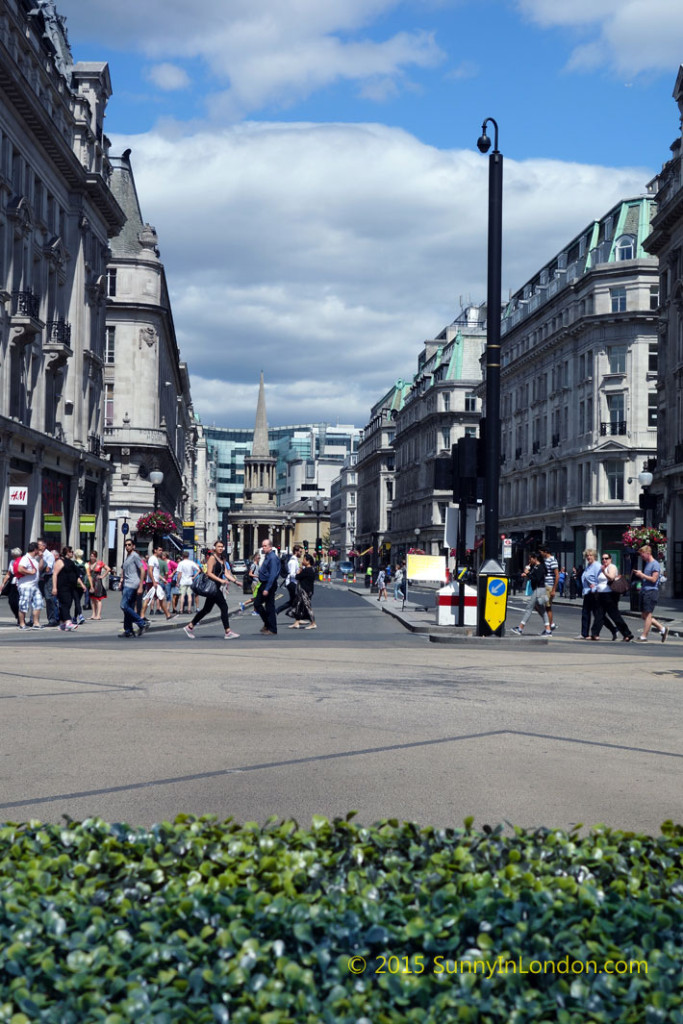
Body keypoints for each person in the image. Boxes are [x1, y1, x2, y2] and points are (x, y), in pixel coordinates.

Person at [183, 540, 239, 639]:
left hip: (215, 588)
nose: (221, 548)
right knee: (224, 607)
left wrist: (235, 581)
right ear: (214, 548)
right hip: (213, 587)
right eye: (218, 546)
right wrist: (220, 580)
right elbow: (209, 573)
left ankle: (190, 626)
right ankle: (228, 631)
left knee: (206, 609)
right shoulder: (212, 558)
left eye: (222, 546)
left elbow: (226, 573)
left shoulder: (223, 558)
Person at [589, 553, 633, 642]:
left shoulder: (612, 567)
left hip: (610, 595)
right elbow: (600, 581)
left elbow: (611, 578)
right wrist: (595, 586)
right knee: (599, 615)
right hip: (601, 594)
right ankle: (595, 634)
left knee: (614, 615)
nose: (604, 560)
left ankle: (627, 634)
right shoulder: (601, 568)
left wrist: (604, 571)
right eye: (603, 558)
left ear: (610, 559)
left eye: (606, 558)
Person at [633, 545, 668, 642]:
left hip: (651, 591)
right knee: (644, 615)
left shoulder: (655, 564)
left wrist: (642, 575)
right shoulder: (647, 564)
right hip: (645, 590)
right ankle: (662, 629)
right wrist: (641, 575)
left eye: (642, 555)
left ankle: (644, 636)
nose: (642, 557)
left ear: (648, 553)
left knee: (648, 615)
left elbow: (654, 579)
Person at [511, 553, 551, 636]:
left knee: (529, 608)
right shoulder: (535, 567)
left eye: (530, 559)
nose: (529, 561)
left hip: (539, 590)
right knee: (542, 610)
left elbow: (536, 579)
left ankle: (520, 628)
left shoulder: (540, 567)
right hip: (537, 590)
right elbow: (533, 576)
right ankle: (548, 630)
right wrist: (527, 573)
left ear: (535, 558)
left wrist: (528, 574)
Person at [119, 539, 150, 637]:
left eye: (129, 545)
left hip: (131, 584)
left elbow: (143, 570)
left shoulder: (135, 556)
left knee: (123, 606)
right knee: (129, 607)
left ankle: (141, 623)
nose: (127, 546)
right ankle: (128, 630)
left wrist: (141, 586)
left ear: (133, 546)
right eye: (126, 545)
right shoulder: (128, 556)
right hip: (126, 583)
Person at [52, 546, 84, 631]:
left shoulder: (71, 562)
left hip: (71, 586)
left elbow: (76, 575)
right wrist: (54, 587)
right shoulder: (60, 561)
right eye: (71, 552)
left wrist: (82, 584)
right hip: (62, 586)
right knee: (65, 603)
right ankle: (68, 622)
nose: (72, 553)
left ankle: (62, 623)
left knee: (68, 603)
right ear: (67, 552)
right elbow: (54, 574)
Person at [254, 538, 280, 635]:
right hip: (264, 583)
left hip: (268, 584)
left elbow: (273, 574)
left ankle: (272, 628)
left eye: (265, 546)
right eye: (263, 546)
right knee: (257, 604)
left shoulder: (272, 558)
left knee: (269, 607)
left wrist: (267, 588)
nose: (263, 548)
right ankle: (267, 623)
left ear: (270, 547)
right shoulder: (268, 556)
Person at [141, 546, 175, 622]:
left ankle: (168, 615)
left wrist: (163, 579)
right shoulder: (152, 559)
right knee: (149, 598)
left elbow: (156, 572)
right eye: (159, 550)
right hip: (152, 582)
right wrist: (153, 581)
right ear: (155, 550)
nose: (161, 551)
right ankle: (142, 616)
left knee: (161, 598)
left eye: (161, 550)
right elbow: (150, 570)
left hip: (155, 581)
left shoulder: (156, 559)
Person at [16, 542, 43, 630]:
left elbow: (40, 568)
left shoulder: (34, 559)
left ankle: (36, 623)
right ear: (35, 550)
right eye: (38, 549)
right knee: (24, 604)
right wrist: (30, 572)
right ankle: (22, 624)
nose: (39, 551)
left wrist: (41, 558)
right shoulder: (26, 558)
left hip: (35, 585)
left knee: (38, 603)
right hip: (25, 585)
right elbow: (20, 568)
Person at [287, 553, 317, 629]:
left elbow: (297, 577)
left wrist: (299, 571)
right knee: (299, 606)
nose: (302, 561)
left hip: (305, 591)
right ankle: (296, 623)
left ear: (308, 561)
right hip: (307, 590)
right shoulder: (312, 569)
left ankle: (313, 623)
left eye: (304, 559)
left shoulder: (307, 570)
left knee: (307, 606)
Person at [37, 537, 59, 627]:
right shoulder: (36, 554)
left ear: (44, 546)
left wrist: (40, 567)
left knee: (49, 599)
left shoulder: (49, 555)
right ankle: (33, 620)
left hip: (48, 578)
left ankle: (53, 619)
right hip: (39, 578)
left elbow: (48, 569)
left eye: (39, 545)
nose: (38, 546)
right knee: (36, 599)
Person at [579, 549, 600, 639]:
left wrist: (594, 588)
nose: (588, 557)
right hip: (588, 592)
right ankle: (584, 633)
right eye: (587, 555)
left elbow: (599, 579)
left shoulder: (597, 566)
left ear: (594, 556)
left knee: (597, 614)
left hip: (594, 593)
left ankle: (613, 629)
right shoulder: (588, 566)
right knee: (585, 613)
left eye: (590, 555)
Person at [538, 544, 559, 632]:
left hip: (549, 586)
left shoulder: (552, 560)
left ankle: (549, 628)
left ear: (545, 552)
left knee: (548, 607)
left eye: (541, 552)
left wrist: (554, 589)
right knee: (538, 605)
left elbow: (557, 575)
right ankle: (551, 624)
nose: (540, 554)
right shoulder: (544, 560)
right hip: (544, 585)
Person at [278, 545, 302, 616]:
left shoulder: (295, 560)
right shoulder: (293, 562)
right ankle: (295, 616)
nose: (301, 553)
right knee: (298, 600)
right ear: (296, 551)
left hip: (292, 582)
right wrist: (299, 576)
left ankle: (278, 610)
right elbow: (292, 574)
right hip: (291, 583)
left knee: (293, 601)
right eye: (300, 552)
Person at [86, 550, 110, 620]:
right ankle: (93, 614)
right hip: (91, 582)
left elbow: (108, 569)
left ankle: (98, 615)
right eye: (91, 556)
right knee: (92, 598)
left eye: (93, 556)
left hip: (97, 582)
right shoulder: (88, 564)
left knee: (98, 599)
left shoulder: (100, 563)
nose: (92, 558)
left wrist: (102, 576)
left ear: (96, 557)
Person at [1, 547, 23, 624]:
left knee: (18, 601)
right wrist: (3, 584)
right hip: (13, 583)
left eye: (14, 555)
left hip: (20, 582)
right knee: (11, 601)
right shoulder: (12, 562)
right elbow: (8, 574)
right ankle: (17, 616)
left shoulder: (23, 561)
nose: (13, 556)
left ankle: (21, 619)